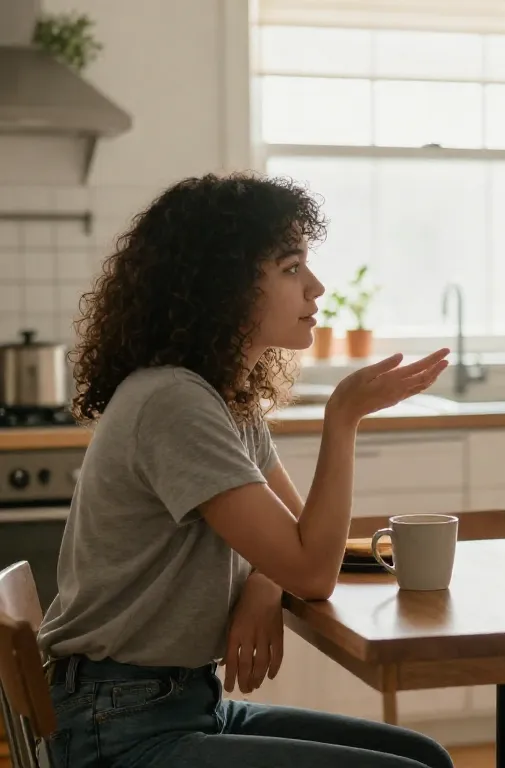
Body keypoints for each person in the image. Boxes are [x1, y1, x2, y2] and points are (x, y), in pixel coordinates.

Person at [35, 173, 454, 768]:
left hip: (178, 703)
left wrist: (263, 580)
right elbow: (313, 570)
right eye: (290, 268)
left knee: (425, 758)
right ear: (223, 286)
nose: (316, 287)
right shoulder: (173, 403)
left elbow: (292, 548)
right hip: (119, 725)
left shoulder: (222, 399)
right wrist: (343, 418)